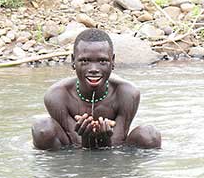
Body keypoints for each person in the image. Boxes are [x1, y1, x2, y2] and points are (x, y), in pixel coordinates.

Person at [32, 28, 161, 150]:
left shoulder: (127, 93)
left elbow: (117, 144)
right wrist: (87, 138)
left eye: (102, 61)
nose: (93, 69)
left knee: (150, 135)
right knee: (42, 128)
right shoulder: (57, 95)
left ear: (113, 62)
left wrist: (105, 139)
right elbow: (76, 143)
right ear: (73, 61)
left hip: (114, 148)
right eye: (85, 61)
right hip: (72, 147)